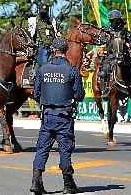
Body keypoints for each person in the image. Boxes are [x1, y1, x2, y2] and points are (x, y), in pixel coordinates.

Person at [30, 38, 85, 195]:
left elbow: (36, 93)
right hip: (64, 116)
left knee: (42, 148)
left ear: (53, 50)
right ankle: (68, 183)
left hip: (47, 115)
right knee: (65, 150)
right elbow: (80, 95)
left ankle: (36, 181)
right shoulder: (71, 70)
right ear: (66, 50)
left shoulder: (43, 69)